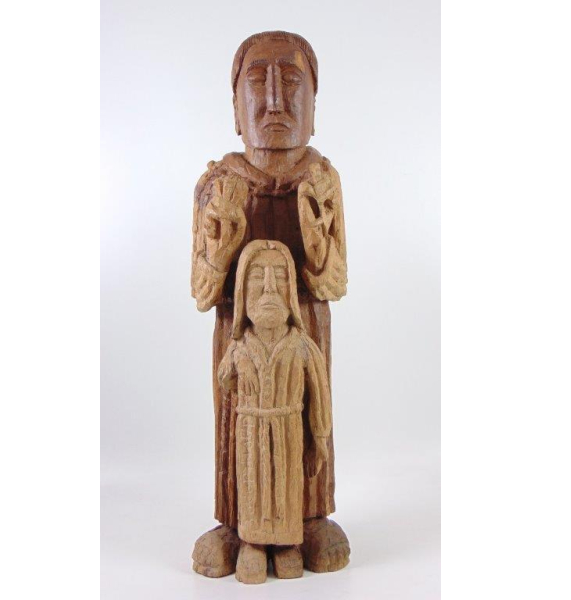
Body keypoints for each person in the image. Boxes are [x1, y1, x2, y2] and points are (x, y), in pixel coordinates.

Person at [191, 31, 349, 577]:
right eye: (258, 82)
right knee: (239, 428)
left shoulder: (322, 180)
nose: (276, 100)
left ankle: (310, 517)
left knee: (309, 420)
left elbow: (334, 282)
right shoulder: (218, 184)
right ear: (236, 110)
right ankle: (237, 524)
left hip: (306, 327)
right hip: (238, 331)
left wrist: (316, 233)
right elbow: (203, 291)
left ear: (314, 106)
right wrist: (222, 241)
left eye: (293, 82)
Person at [218, 240, 332, 583]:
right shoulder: (240, 345)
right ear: (242, 291)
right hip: (250, 432)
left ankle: (286, 545)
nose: (269, 287)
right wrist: (239, 373)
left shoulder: (301, 345)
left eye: (279, 276)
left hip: (287, 429)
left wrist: (319, 439)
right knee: (253, 486)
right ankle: (252, 543)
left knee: (285, 485)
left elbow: (319, 392)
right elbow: (225, 379)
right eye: (257, 277)